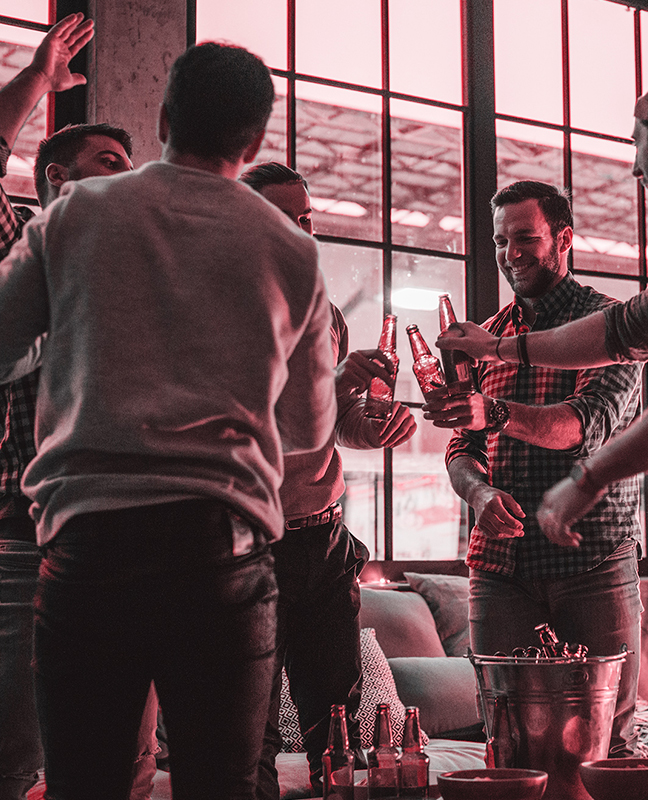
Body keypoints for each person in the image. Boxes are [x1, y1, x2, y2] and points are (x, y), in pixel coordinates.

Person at [0, 40, 336, 800]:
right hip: (222, 557)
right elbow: (307, 435)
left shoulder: (77, 214)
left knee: (88, 786)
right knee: (222, 786)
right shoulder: (293, 253)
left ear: (165, 117)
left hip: (88, 551)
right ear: (257, 141)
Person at [436, 70, 648, 788]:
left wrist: (586, 480)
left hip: (604, 555)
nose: (629, 162)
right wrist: (497, 350)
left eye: (636, 140)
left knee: (614, 756)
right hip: (509, 570)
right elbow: (627, 329)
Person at [0, 14, 163, 800]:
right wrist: (38, 79)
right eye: (108, 163)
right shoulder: (21, 241)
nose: (126, 177)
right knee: (7, 765)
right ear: (57, 181)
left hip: (132, 540)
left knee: (121, 773)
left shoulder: (148, 272)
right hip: (24, 535)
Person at [424, 180, 644, 755]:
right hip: (500, 568)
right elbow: (462, 450)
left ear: (564, 238)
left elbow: (583, 426)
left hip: (592, 558)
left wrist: (492, 411)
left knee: (606, 744)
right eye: (500, 241)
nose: (510, 253)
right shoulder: (485, 337)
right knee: (507, 743)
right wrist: (477, 497)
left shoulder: (610, 326)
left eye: (525, 237)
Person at [241, 162, 417, 798]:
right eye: (284, 218)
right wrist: (339, 382)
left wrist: (377, 424)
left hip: (328, 544)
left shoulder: (328, 313)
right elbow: (263, 422)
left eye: (307, 220)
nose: (301, 233)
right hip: (253, 545)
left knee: (337, 724)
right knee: (249, 728)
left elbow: (338, 425)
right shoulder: (228, 309)